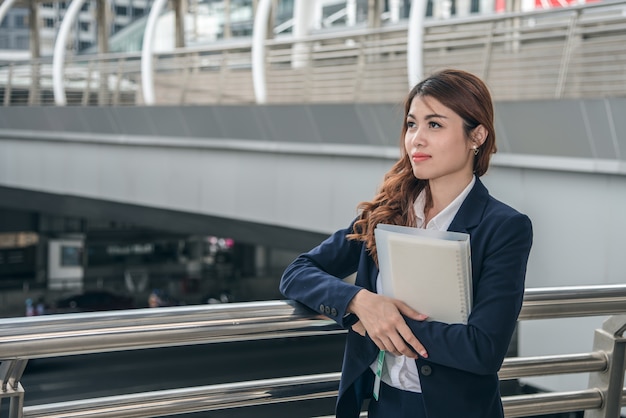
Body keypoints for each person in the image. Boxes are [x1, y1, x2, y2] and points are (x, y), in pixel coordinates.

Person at [279, 69, 533, 418]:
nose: (416, 139)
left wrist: (388, 321)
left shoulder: (504, 227)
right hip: (383, 406)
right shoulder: (387, 213)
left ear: (477, 136)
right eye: (412, 124)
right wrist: (358, 301)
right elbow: (297, 273)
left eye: (434, 125)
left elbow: (483, 349)